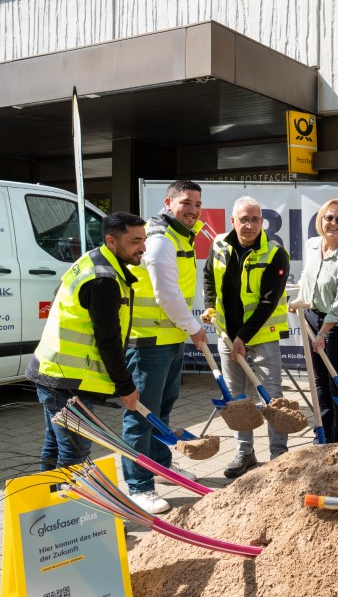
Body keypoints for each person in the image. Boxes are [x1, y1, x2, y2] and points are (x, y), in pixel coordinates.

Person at [26, 212, 144, 471]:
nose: (143, 248)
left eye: (143, 240)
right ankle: (71, 509)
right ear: (112, 241)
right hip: (68, 380)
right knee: (74, 453)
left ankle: (50, 505)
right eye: (135, 241)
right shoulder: (104, 280)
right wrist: (126, 387)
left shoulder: (93, 260)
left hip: (52, 372)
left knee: (56, 445)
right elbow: (108, 339)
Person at [122, 180, 207, 514]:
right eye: (186, 203)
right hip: (148, 343)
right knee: (141, 417)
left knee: (162, 411)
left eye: (198, 205)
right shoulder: (158, 239)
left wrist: (186, 330)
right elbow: (166, 294)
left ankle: (160, 466)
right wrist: (194, 327)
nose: (193, 210)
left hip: (169, 340)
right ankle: (138, 487)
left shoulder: (182, 235)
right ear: (169, 202)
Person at [203, 196, 291, 477]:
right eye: (244, 219)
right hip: (227, 334)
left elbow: (269, 300)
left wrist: (242, 336)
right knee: (236, 398)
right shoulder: (218, 244)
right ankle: (244, 453)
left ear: (262, 222)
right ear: (233, 221)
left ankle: (279, 454)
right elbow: (207, 276)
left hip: (261, 335)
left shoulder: (275, 253)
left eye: (255, 219)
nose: (250, 225)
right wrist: (209, 304)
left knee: (273, 396)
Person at [297, 198, 338, 443]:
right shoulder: (312, 245)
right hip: (313, 318)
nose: (333, 223)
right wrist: (300, 301)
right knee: (319, 382)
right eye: (329, 217)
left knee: (337, 383)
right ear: (321, 219)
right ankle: (322, 434)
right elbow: (306, 278)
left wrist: (323, 334)